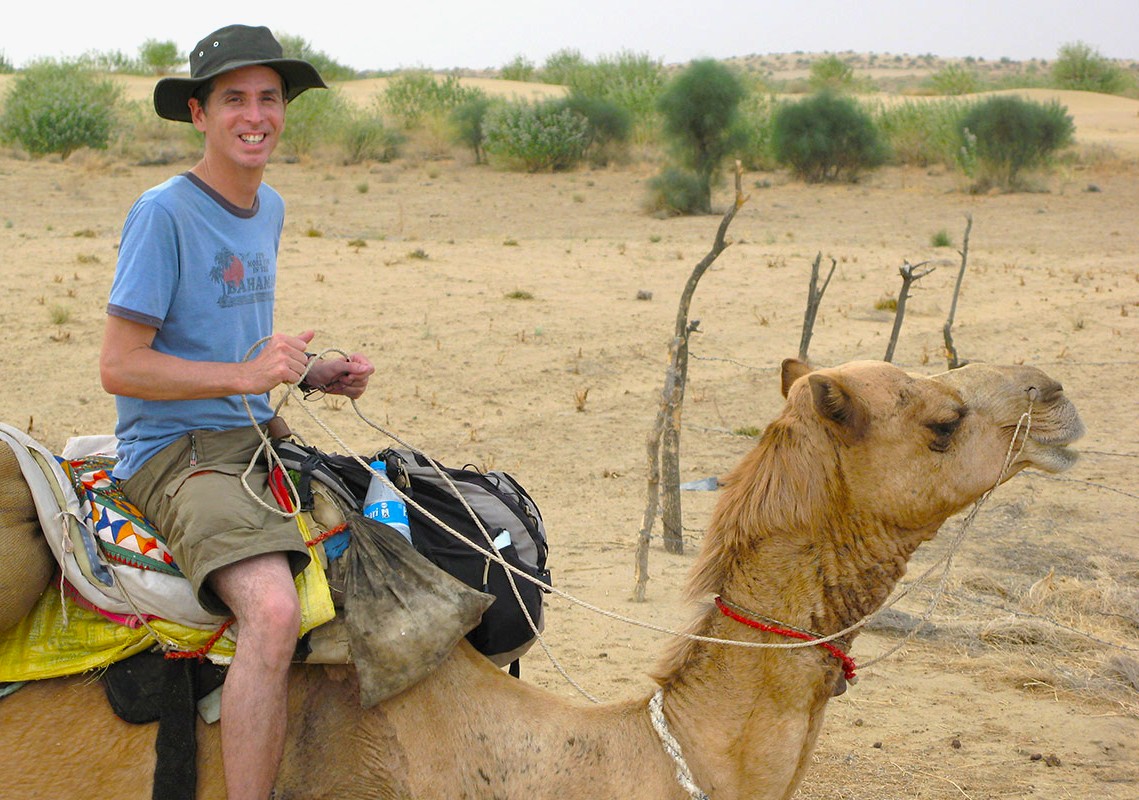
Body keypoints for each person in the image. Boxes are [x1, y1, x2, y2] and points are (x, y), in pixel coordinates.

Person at [99, 24, 374, 800]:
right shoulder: (162, 214)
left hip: (253, 436)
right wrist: (248, 372)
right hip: (174, 450)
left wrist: (310, 373)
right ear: (198, 113)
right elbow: (118, 365)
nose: (255, 116)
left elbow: (237, 345)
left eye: (268, 98)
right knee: (273, 607)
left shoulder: (269, 207)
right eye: (233, 100)